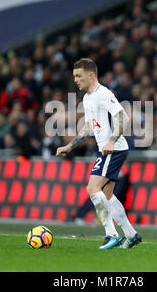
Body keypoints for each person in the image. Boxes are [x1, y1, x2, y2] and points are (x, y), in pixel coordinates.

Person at [56, 58, 141, 250]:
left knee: (93, 189)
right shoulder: (87, 98)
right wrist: (71, 146)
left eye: (79, 76)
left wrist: (111, 140)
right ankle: (131, 234)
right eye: (74, 76)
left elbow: (123, 117)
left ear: (91, 75)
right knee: (108, 194)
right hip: (108, 148)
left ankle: (111, 234)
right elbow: (89, 127)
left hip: (113, 148)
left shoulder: (103, 93)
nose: (76, 80)